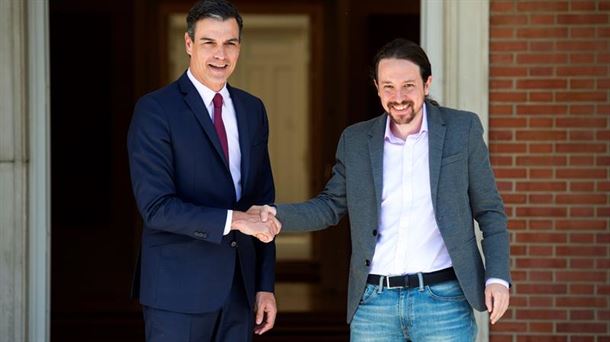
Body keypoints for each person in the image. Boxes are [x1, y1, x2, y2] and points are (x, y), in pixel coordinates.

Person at [252, 38, 510, 341]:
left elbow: (489, 211)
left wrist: (497, 277)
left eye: (408, 86)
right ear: (377, 88)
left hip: (445, 302)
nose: (398, 97)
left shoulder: (461, 130)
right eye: (388, 87)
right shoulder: (356, 141)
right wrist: (273, 214)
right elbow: (330, 206)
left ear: (427, 84)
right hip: (375, 304)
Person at [127, 0, 281, 340]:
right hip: (177, 292)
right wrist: (236, 220)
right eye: (209, 42)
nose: (220, 55)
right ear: (188, 44)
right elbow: (156, 208)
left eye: (230, 43)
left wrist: (265, 285)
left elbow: (262, 204)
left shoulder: (252, 110)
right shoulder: (156, 110)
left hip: (240, 292)